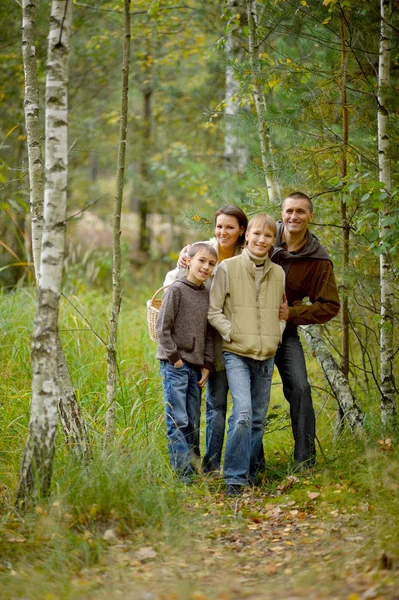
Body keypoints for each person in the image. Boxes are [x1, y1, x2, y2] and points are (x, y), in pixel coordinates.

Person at [164, 205, 248, 474]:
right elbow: (173, 290)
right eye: (219, 226)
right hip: (191, 348)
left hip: (222, 344)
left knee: (216, 406)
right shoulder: (201, 252)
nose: (223, 232)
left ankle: (210, 466)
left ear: (241, 231)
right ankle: (190, 469)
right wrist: (184, 263)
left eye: (230, 227)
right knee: (189, 413)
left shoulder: (245, 257)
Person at [208, 214, 286, 495]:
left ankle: (250, 473)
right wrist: (232, 333)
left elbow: (281, 311)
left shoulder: (278, 273)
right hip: (237, 353)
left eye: (268, 236)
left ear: (273, 241)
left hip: (267, 355)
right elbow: (213, 311)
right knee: (241, 413)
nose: (261, 240)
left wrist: (277, 333)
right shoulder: (227, 268)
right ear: (247, 236)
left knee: (256, 419)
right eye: (256, 234)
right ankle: (234, 479)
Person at [271, 192, 340, 469]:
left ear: (311, 216)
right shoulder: (263, 234)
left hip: (285, 332)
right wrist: (190, 253)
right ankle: (249, 465)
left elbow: (330, 305)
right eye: (289, 211)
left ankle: (305, 464)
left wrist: (294, 313)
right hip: (247, 331)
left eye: (300, 212)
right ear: (282, 213)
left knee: (300, 388)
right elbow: (226, 239)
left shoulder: (318, 260)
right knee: (250, 396)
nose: (293, 217)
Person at [156, 242, 217, 483]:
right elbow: (163, 328)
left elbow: (209, 333)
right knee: (177, 420)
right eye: (201, 260)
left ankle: (193, 467)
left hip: (196, 367)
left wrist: (207, 364)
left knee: (192, 420)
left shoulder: (206, 294)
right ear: (188, 260)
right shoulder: (176, 289)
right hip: (175, 366)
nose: (206, 267)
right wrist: (176, 359)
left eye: (211, 264)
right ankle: (184, 476)